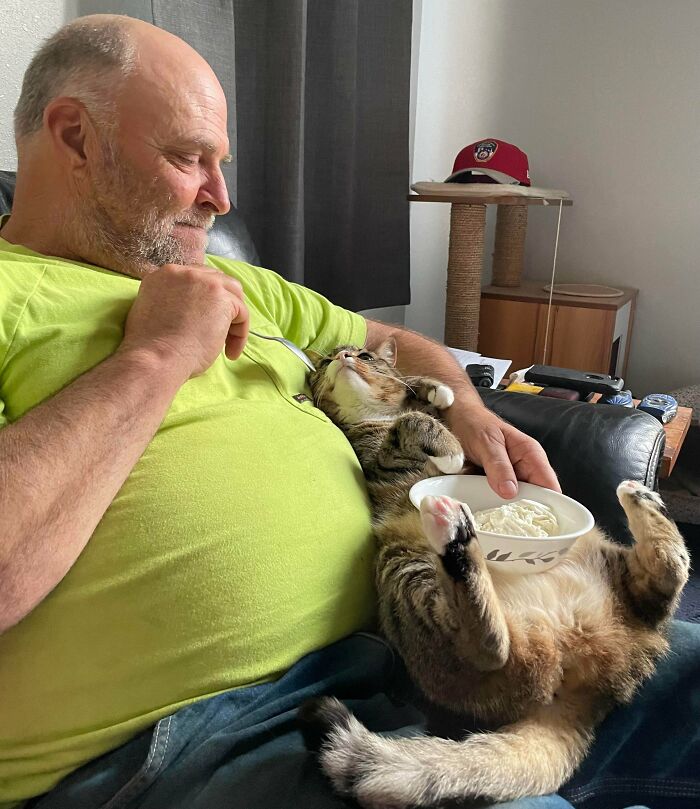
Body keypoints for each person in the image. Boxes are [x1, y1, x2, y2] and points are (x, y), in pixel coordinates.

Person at [0, 14, 697, 809]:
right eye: (189, 158)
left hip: (421, 643)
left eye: (219, 164)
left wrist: (472, 412)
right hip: (199, 734)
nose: (220, 198)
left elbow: (400, 344)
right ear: (74, 136)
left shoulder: (241, 283)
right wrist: (154, 357)